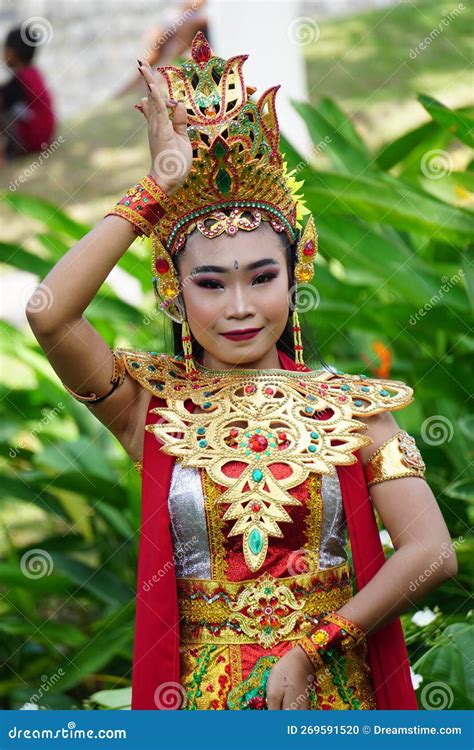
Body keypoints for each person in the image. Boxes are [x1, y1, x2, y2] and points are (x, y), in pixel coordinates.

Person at [26, 32, 458, 711]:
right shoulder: (152, 408)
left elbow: (432, 552)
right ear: (173, 285)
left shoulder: (351, 409)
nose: (239, 307)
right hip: (200, 706)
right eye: (211, 283)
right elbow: (49, 314)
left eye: (262, 277)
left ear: (297, 272)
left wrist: (316, 645)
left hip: (327, 694)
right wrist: (153, 191)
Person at [0, 23, 56, 165]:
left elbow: (4, 99)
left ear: (11, 52)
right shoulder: (33, 74)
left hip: (34, 139)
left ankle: (4, 156)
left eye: (4, 49)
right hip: (45, 136)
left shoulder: (21, 80)